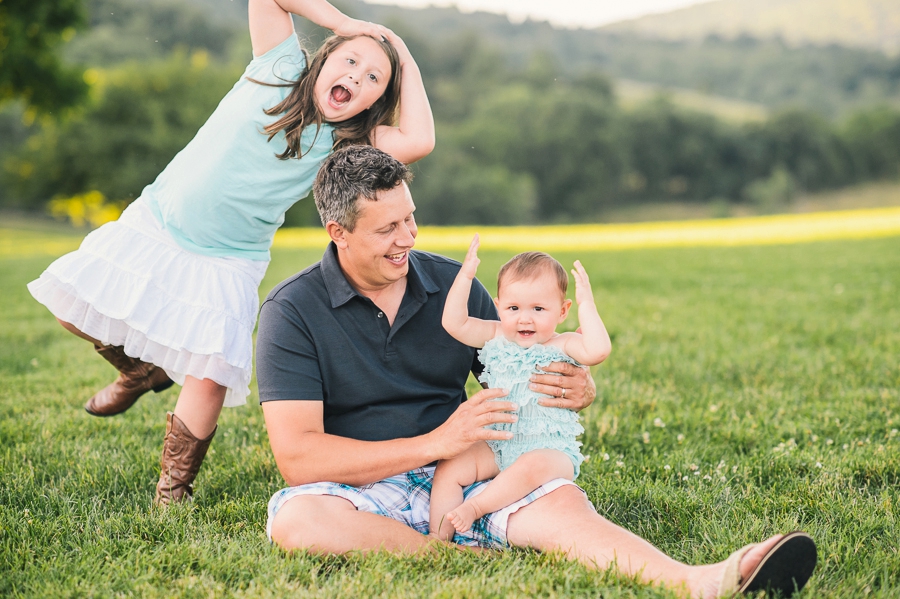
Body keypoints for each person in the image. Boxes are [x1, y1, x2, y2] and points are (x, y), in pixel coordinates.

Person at [257, 145, 817, 599]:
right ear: (338, 232)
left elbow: (522, 365)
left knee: (558, 500)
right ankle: (449, 557)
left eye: (410, 219)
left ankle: (701, 581)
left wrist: (579, 387)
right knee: (297, 520)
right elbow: (300, 457)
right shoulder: (291, 312)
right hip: (361, 488)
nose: (407, 239)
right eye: (387, 230)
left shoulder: (452, 287)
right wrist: (434, 440)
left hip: (472, 470)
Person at [26, 0, 434, 505]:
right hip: (160, 220)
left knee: (210, 374)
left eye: (374, 78)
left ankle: (172, 491)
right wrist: (346, 23)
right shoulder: (278, 68)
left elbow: (420, 138)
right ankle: (139, 370)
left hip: (231, 256)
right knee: (74, 304)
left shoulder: (349, 140)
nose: (358, 76)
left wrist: (405, 59)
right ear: (325, 58)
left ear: (374, 100)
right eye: (350, 61)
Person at [428, 238, 611, 541]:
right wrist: (465, 277)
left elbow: (599, 349)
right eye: (513, 307)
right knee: (450, 466)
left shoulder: (562, 343)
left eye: (539, 308)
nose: (524, 318)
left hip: (549, 451)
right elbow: (454, 322)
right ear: (498, 307)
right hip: (499, 446)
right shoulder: (495, 334)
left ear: (563, 311)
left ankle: (475, 508)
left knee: (530, 466)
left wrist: (588, 304)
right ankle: (439, 537)